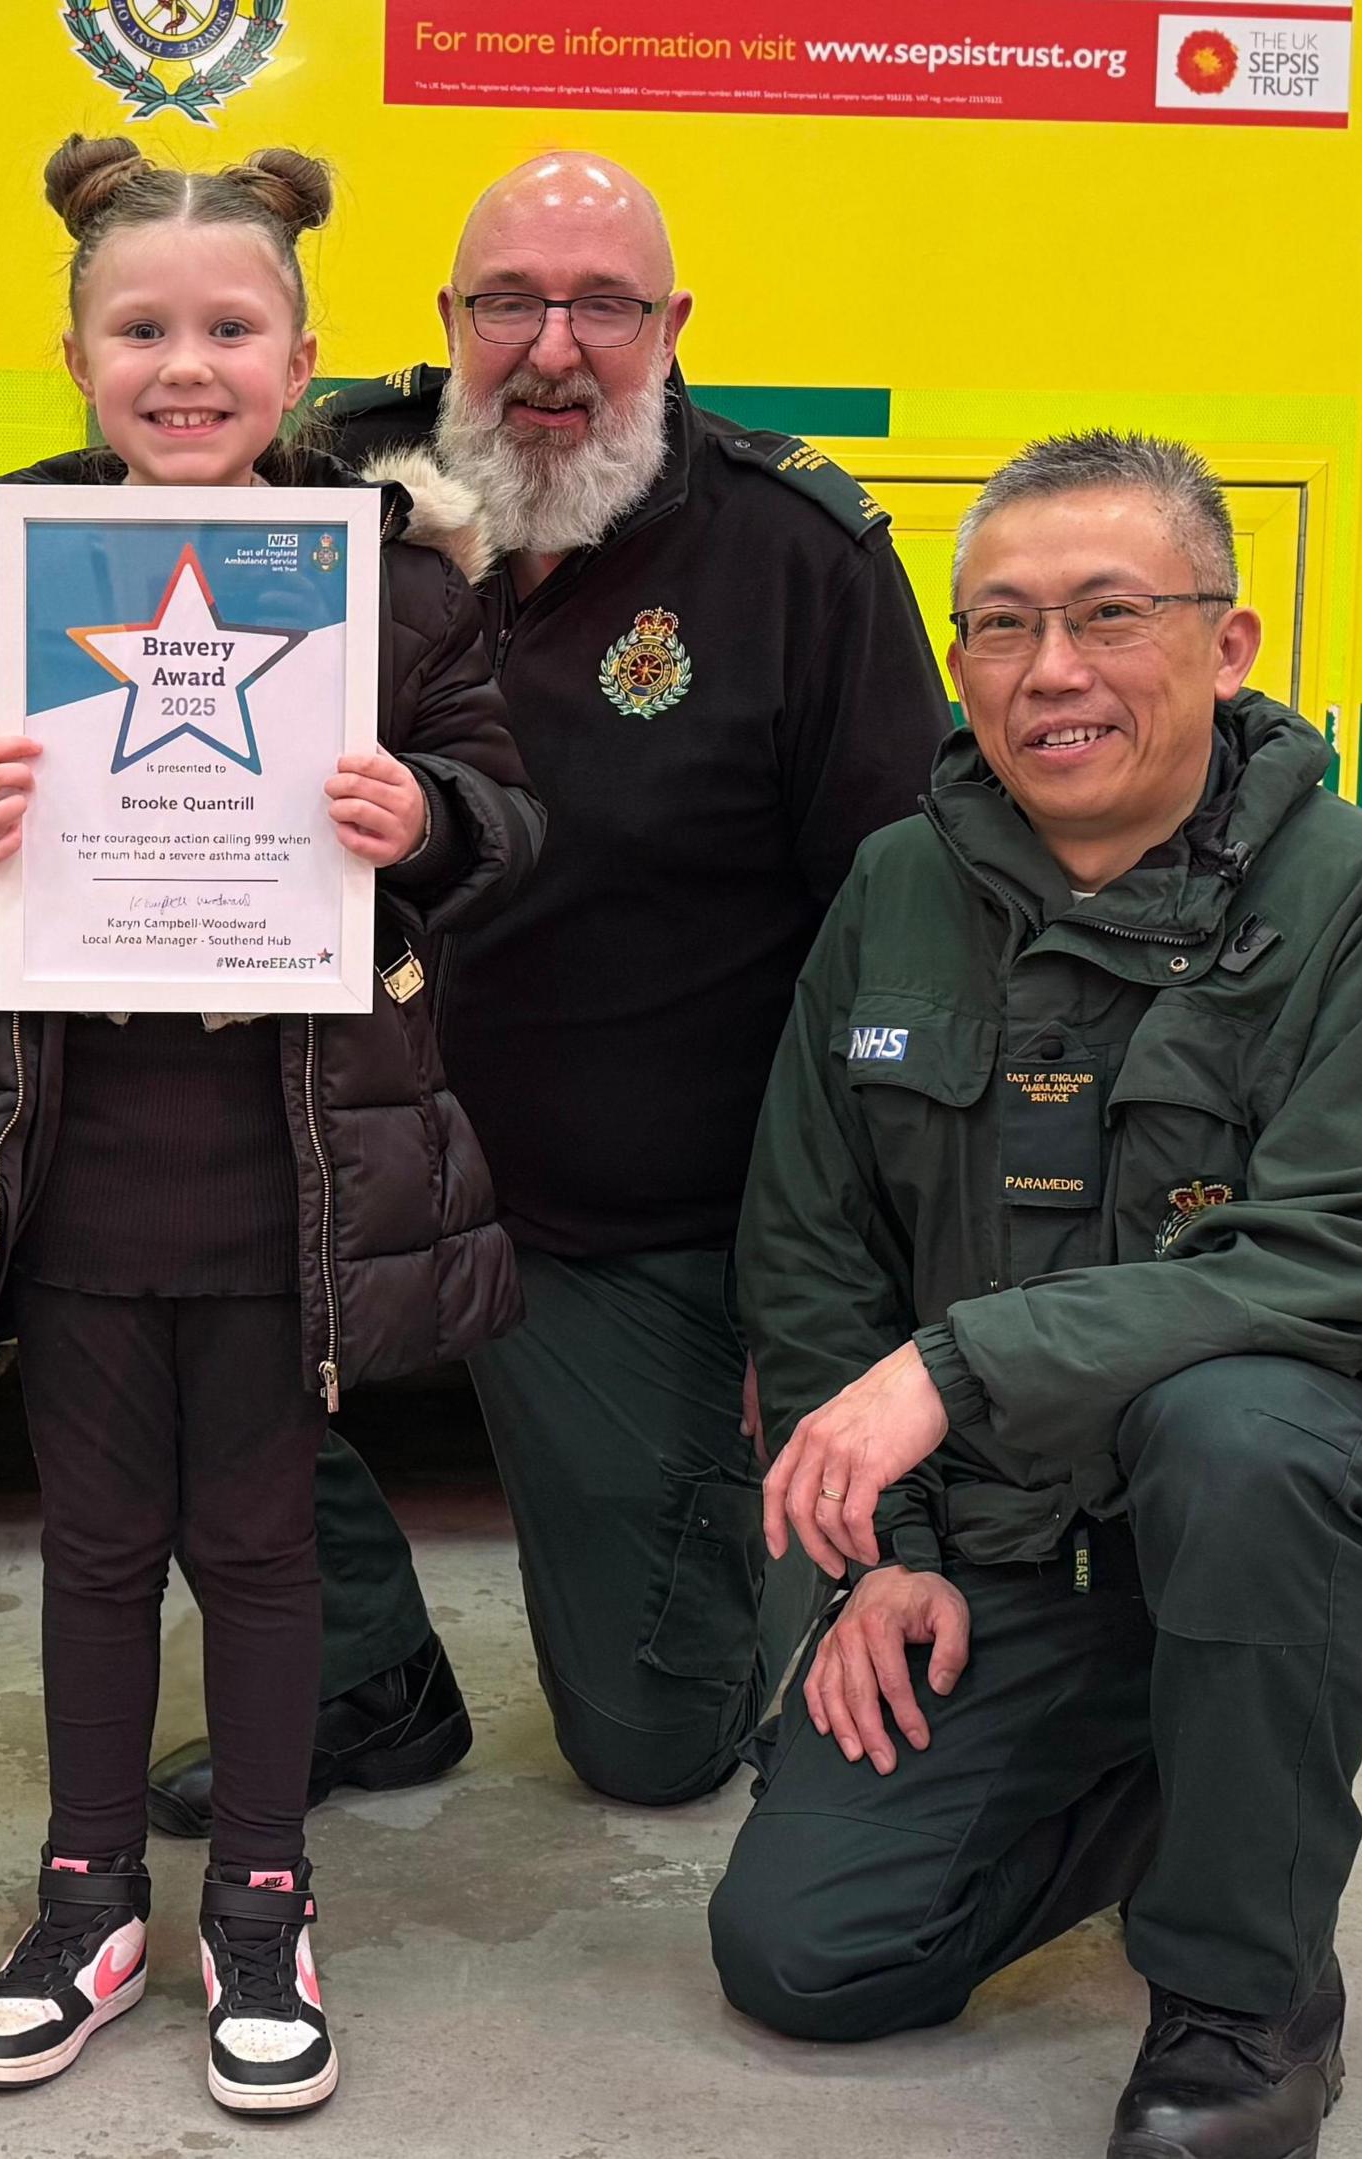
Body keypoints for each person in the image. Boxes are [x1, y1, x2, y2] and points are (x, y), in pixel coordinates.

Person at [708, 431, 1362, 2159]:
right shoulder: (897, 889)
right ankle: (1210, 1742)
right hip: (1025, 1546)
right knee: (811, 1957)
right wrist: (888, 1560)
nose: (1053, 674)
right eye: (1003, 627)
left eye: (1110, 615)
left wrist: (961, 1366)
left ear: (1230, 642)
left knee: (1238, 1427)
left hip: (1322, 1502)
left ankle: (1246, 2009)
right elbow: (810, 1255)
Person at [0, 136, 542, 2117]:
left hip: (288, 1166)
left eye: (229, 328)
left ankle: (260, 1900)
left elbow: (508, 815)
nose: (185, 363)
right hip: (73, 1157)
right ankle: (84, 1901)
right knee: (88, 1545)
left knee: (255, 1548)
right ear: (71, 351)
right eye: (140, 329)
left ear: (302, 351)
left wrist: (432, 824)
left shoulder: (392, 584)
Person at [137, 152, 948, 1835]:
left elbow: (896, 942)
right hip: (332, 1161)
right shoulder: (319, 484)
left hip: (623, 1225)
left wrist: (817, 1309)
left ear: (676, 329)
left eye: (605, 306)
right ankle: (368, 1671)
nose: (553, 347)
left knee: (650, 1749)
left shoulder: (798, 558)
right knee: (125, 1308)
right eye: (509, 301)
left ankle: (731, 1569)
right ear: (448, 322)